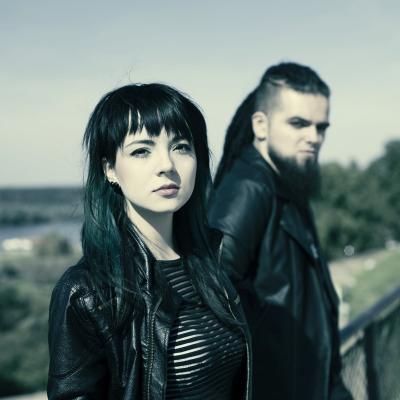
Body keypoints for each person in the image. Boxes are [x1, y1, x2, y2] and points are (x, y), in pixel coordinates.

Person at [47, 83, 252, 399]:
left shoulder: (210, 262)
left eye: (181, 146)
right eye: (141, 150)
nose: (167, 165)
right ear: (110, 169)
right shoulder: (87, 293)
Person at [209, 62, 353, 399]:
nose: (314, 138)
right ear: (261, 125)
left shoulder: (286, 185)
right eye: (299, 124)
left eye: (321, 127)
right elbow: (208, 297)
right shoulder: (248, 190)